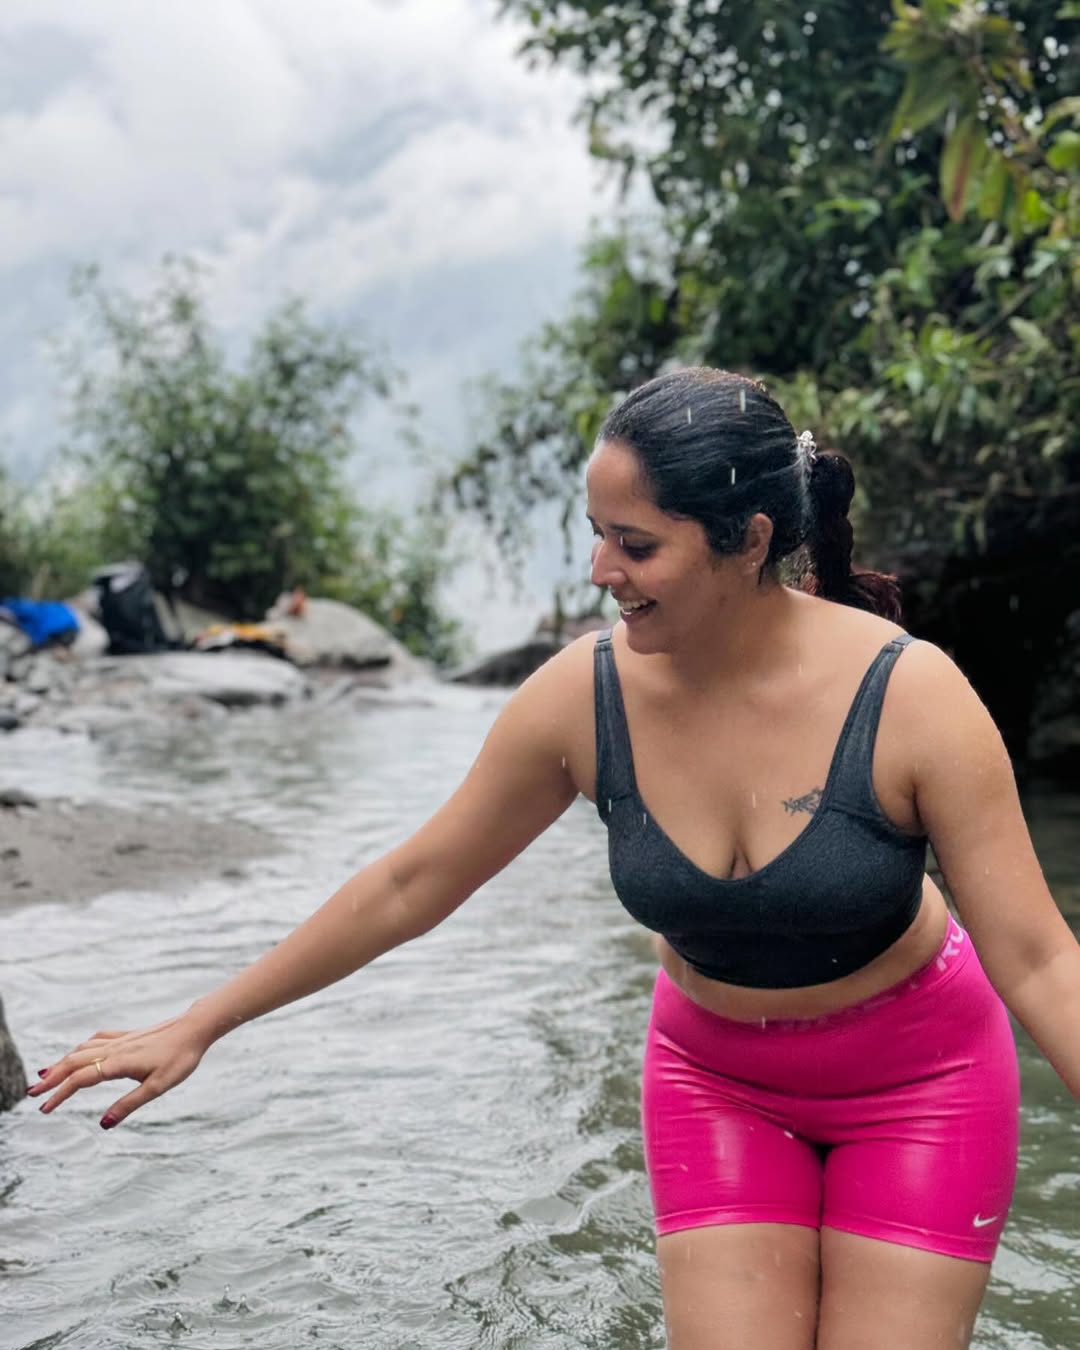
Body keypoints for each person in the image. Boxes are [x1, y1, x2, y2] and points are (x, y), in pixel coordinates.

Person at [30, 368, 1080, 1349]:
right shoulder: (583, 696)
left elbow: (1036, 961)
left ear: (749, 540)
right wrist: (204, 1022)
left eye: (636, 544)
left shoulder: (911, 696)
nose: (599, 572)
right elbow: (411, 884)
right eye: (595, 535)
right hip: (718, 1081)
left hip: (920, 1081)